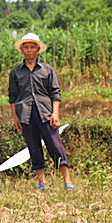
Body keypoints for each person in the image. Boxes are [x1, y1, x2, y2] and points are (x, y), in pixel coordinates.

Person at [8, 32, 74, 190]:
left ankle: (67, 181)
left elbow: (55, 93)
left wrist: (55, 113)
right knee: (34, 147)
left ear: (38, 49)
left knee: (55, 146)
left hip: (46, 113)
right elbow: (12, 97)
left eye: (32, 47)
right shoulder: (15, 73)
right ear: (22, 50)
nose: (29, 50)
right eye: (26, 47)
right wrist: (15, 117)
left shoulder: (47, 70)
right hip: (25, 114)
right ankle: (41, 183)